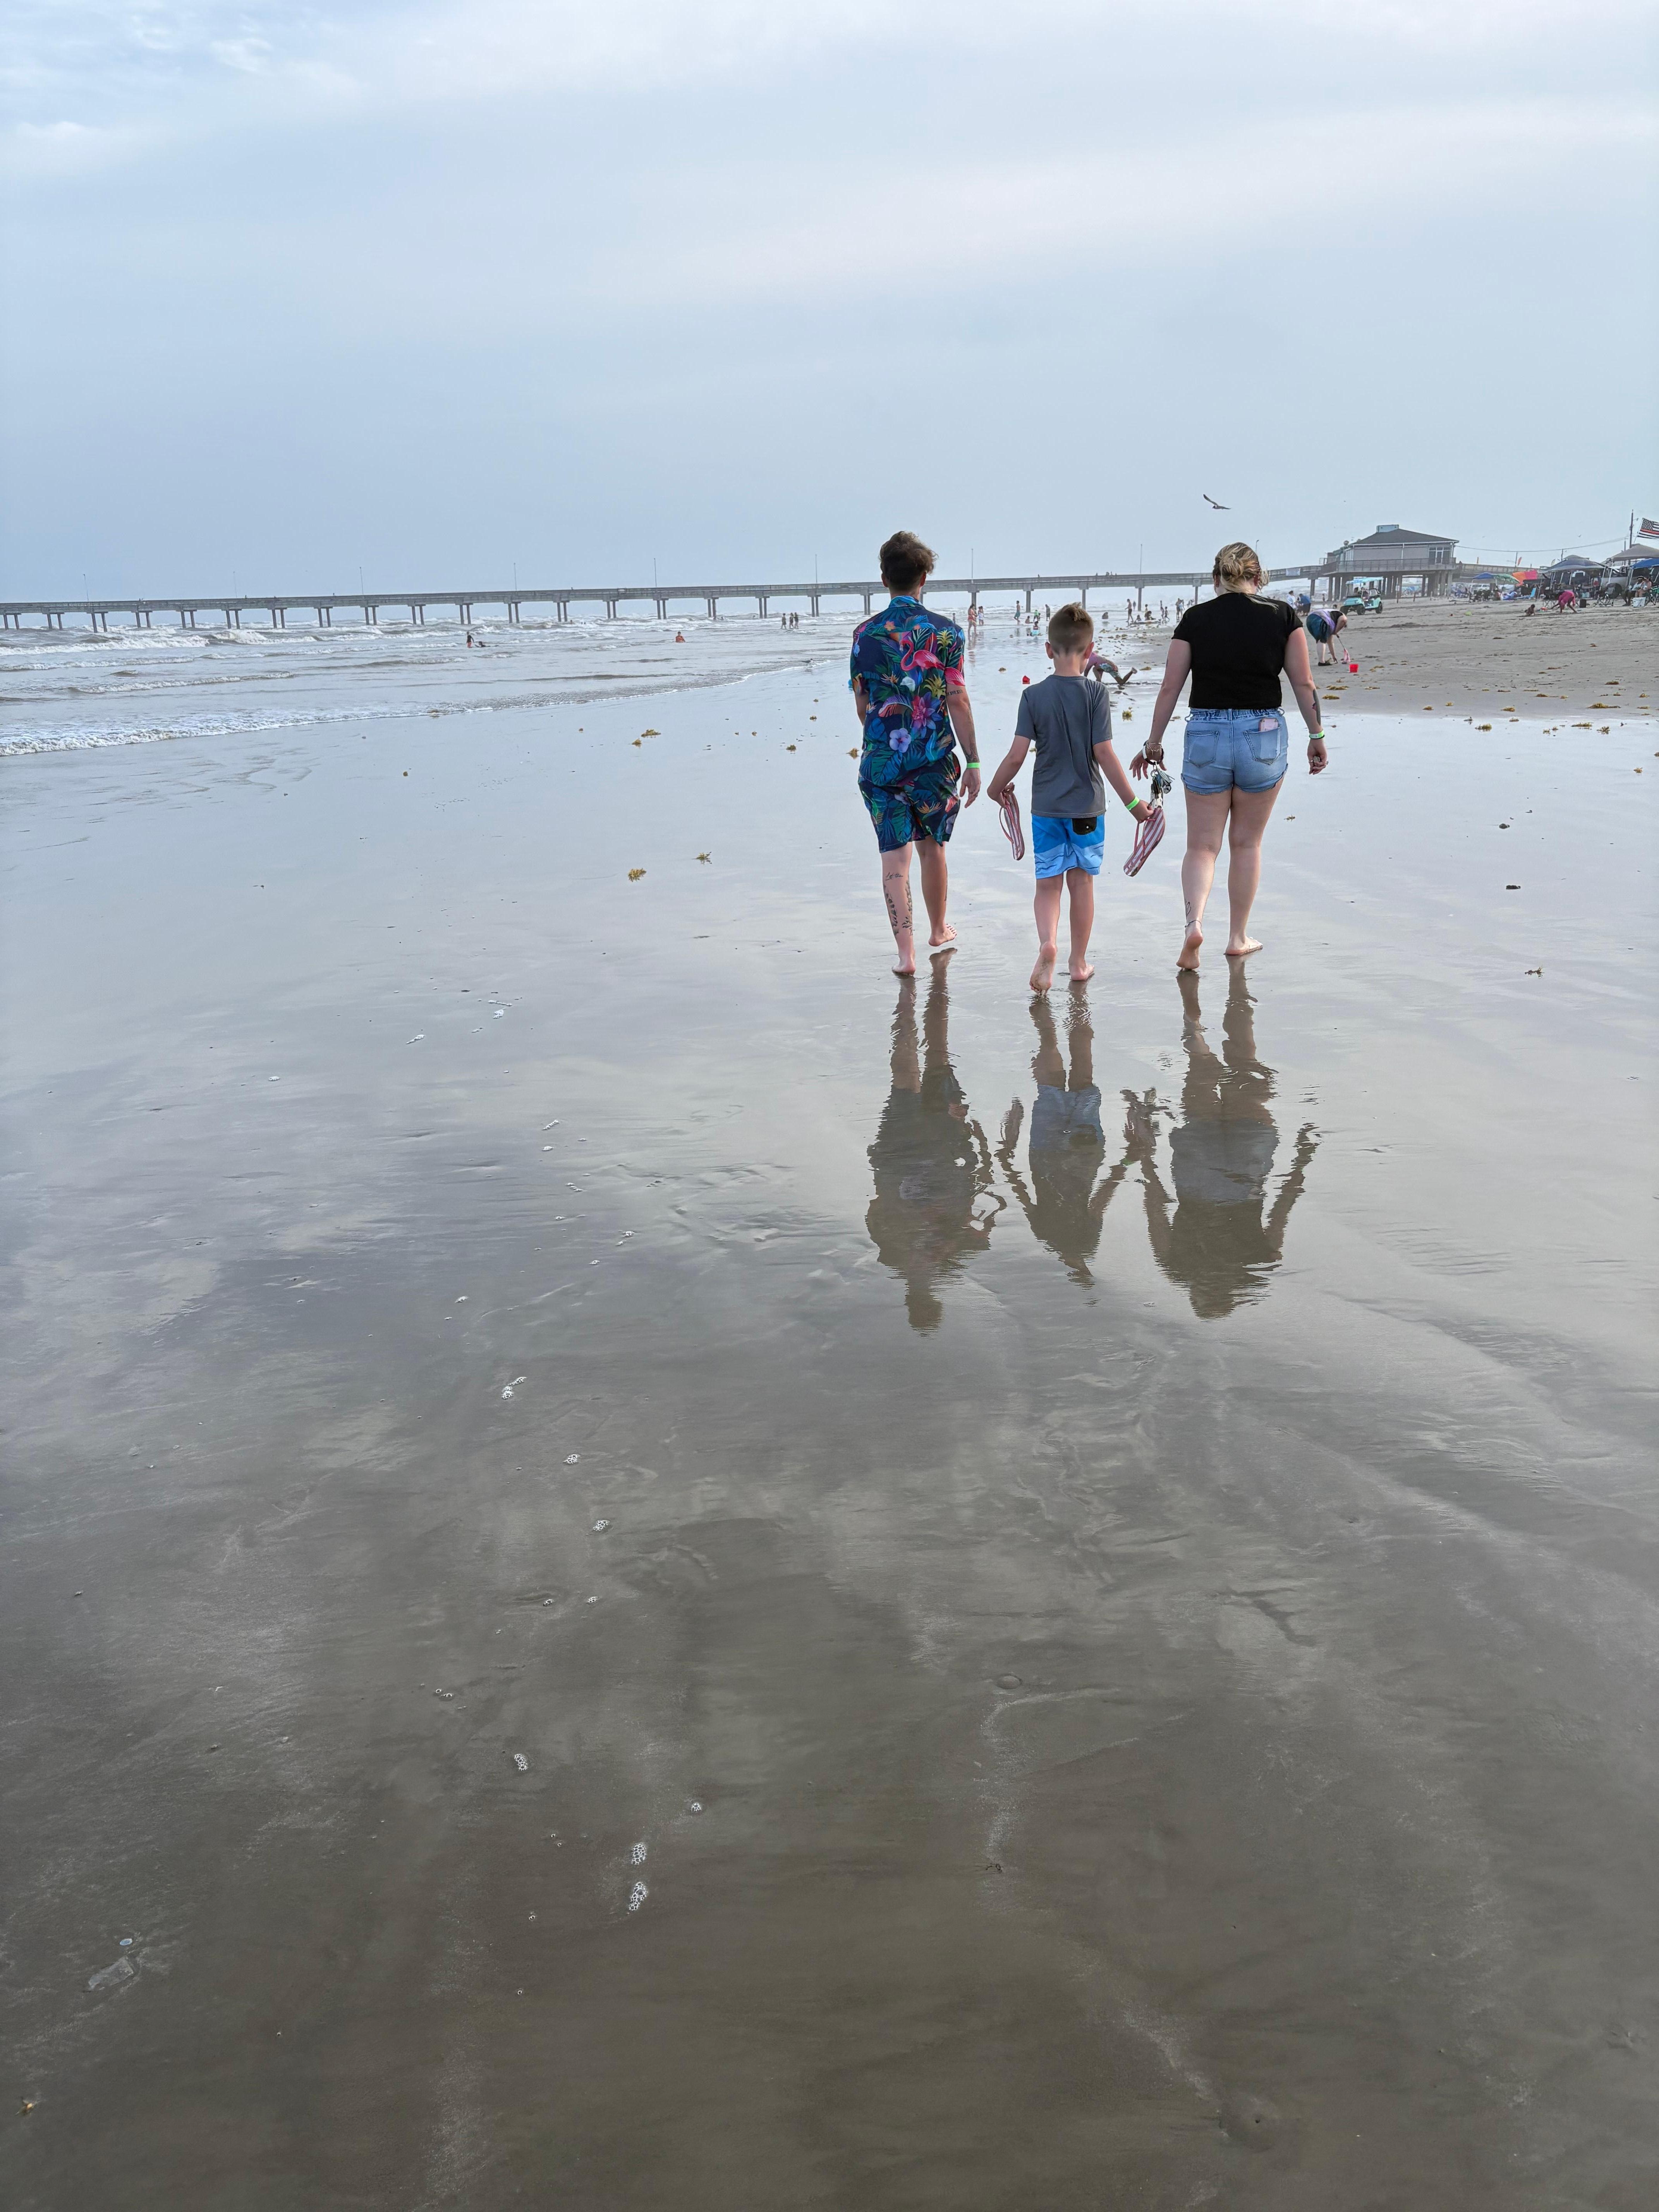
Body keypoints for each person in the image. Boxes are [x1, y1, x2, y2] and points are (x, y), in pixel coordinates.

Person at [1130, 541, 1326, 970]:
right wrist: (1317, 735)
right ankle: (1237, 937)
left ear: (1217, 578)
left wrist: (1154, 743)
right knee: (1247, 843)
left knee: (1202, 846)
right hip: (1264, 733)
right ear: (1259, 577)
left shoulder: (1196, 619)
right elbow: (1304, 683)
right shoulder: (1283, 617)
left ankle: (1194, 925)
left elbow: (1170, 687)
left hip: (1207, 732)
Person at [985, 602, 1159, 993]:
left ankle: (1048, 943)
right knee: (1082, 884)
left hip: (1046, 808)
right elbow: (1105, 754)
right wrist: (1134, 806)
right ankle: (1078, 963)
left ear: (1049, 649)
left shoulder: (1033, 698)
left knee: (1048, 884)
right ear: (1090, 648)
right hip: (1088, 809)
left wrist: (996, 789)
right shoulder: (1096, 695)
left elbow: (1016, 755)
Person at [1128, 967, 1318, 1317]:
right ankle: (1194, 1027)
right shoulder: (1176, 1268)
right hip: (1196, 1174)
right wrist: (1145, 1152)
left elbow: (1283, 1209)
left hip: (1246, 1172)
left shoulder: (1259, 1267)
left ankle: (1239, 990)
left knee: (1244, 1068)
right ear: (1197, 1294)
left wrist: (1302, 1159)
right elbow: (1155, 1207)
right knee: (1201, 1075)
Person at [850, 531, 981, 974]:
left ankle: (905, 957)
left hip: (882, 762)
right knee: (932, 849)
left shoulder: (864, 636)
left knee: (894, 858)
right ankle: (939, 928)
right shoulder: (947, 634)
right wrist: (975, 761)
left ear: (884, 578)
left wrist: (888, 733)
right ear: (925, 577)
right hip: (935, 761)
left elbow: (862, 706)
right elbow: (958, 700)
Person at [865, 968, 999, 1332]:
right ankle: (924, 991)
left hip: (919, 1151)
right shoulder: (939, 1258)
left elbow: (877, 1209)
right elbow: (984, 1228)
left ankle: (919, 994)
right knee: (918, 1071)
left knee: (923, 1068)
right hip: (919, 1150)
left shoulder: (897, 1255)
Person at [996, 992, 1137, 1286]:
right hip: (1046, 1151)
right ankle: (1048, 1027)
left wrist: (1127, 1159)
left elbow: (1101, 1197)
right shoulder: (1046, 1235)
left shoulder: (1084, 1241)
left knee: (1083, 1081)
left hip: (1085, 1153)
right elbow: (1022, 1191)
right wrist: (1006, 1160)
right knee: (1050, 1085)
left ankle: (1079, 1011)